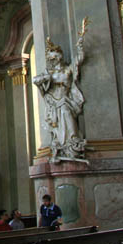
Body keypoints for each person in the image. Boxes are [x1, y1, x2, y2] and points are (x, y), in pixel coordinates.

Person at [32, 18, 89, 163]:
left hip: (66, 100)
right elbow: (35, 80)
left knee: (66, 112)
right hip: (53, 102)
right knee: (58, 123)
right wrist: (44, 80)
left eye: (56, 56)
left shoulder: (67, 69)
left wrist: (81, 47)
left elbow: (79, 60)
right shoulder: (49, 73)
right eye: (52, 57)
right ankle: (62, 145)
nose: (55, 59)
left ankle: (73, 142)